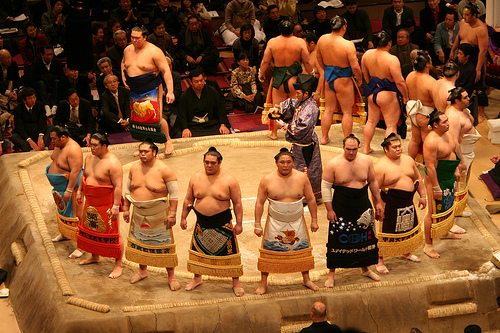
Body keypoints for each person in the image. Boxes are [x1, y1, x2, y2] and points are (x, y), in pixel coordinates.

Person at [254, 148, 319, 295]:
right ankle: (263, 283)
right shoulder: (267, 179)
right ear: (276, 163)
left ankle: (306, 278)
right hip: (275, 222)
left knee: (302, 250)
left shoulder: (302, 177)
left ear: (293, 163)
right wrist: (257, 224)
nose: (285, 165)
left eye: (288, 162)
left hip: (297, 220)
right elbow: (260, 202)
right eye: (282, 162)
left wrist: (314, 220)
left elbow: (311, 199)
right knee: (268, 252)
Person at [180, 147, 244, 297]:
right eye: (206, 162)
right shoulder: (195, 178)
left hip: (223, 223)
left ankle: (236, 282)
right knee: (198, 252)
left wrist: (239, 223)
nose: (209, 165)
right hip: (201, 222)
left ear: (220, 163)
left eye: (212, 163)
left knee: (231, 254)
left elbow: (237, 203)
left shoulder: (230, 180)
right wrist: (183, 217)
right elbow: (189, 199)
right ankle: (197, 279)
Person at [321, 134, 384, 287]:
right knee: (337, 238)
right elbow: (325, 187)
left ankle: (365, 268)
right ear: (343, 147)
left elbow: (373, 181)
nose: (351, 152)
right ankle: (331, 273)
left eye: (354, 149)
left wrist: (379, 203)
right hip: (341, 204)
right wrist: (329, 209)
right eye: (348, 149)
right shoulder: (333, 164)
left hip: (362, 203)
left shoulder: (366, 161)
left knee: (365, 237)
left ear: (359, 147)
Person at [123, 139, 180, 289]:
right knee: (141, 243)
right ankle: (142, 271)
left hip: (159, 214)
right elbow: (128, 190)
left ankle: (171, 276)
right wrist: (126, 208)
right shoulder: (134, 168)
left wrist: (172, 214)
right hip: (138, 213)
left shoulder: (165, 169)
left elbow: (174, 195)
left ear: (154, 152)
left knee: (165, 245)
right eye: (140, 151)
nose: (142, 154)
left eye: (146, 151)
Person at [374, 133, 426, 274]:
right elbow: (374, 190)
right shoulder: (380, 166)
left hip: (408, 201)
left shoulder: (408, 160)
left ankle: (406, 252)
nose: (398, 149)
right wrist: (377, 207)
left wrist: (423, 195)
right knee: (386, 232)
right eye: (394, 147)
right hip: (390, 202)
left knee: (408, 228)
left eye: (399, 146)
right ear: (386, 149)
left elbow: (417, 177)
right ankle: (379, 260)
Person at [76, 133, 124, 278]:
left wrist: (116, 206)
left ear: (104, 145)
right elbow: (84, 176)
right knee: (91, 228)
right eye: (91, 144)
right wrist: (79, 192)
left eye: (95, 145)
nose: (92, 147)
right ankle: (95, 256)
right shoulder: (89, 157)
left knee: (114, 234)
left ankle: (118, 264)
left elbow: (118, 187)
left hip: (107, 203)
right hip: (90, 200)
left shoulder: (113, 163)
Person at [122, 26, 175, 154]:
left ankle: (168, 140)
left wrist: (170, 91)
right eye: (132, 37)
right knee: (140, 118)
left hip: (151, 87)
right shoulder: (127, 49)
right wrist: (123, 76)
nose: (134, 40)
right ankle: (146, 144)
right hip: (135, 88)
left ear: (145, 37)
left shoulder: (154, 51)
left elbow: (166, 71)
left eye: (137, 38)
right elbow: (123, 63)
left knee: (155, 117)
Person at [271, 74, 322, 200]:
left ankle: (307, 196)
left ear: (306, 93)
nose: (296, 95)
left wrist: (284, 125)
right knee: (295, 170)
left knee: (306, 172)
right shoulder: (301, 101)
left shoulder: (311, 109)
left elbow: (300, 130)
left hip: (306, 145)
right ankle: (296, 193)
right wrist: (278, 110)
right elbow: (291, 104)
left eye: (298, 93)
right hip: (298, 146)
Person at [259, 20, 312, 140]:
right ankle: (294, 131)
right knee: (296, 106)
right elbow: (307, 61)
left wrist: (260, 73)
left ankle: (274, 133)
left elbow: (265, 61)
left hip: (279, 79)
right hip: (294, 80)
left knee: (276, 106)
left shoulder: (272, 42)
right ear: (292, 30)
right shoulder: (299, 42)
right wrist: (311, 72)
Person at [422, 110, 465, 258]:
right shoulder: (431, 141)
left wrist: (457, 168)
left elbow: (454, 150)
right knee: (433, 212)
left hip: (449, 175)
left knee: (448, 205)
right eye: (444, 122)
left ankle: (444, 231)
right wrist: (436, 187)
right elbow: (430, 167)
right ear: (435, 125)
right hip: (437, 179)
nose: (448, 123)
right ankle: (428, 245)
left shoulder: (447, 133)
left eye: (447, 120)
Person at [361, 31, 408, 155]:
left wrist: (375, 86)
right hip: (388, 94)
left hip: (372, 93)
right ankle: (391, 152)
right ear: (389, 43)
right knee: (391, 125)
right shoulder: (392, 59)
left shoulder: (366, 55)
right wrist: (405, 96)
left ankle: (366, 148)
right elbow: (400, 82)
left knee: (370, 121)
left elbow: (366, 76)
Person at [317, 16, 362, 143]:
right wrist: (359, 79)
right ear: (343, 27)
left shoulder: (322, 39)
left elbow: (319, 59)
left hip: (329, 78)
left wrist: (326, 71)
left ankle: (324, 137)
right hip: (344, 80)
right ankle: (348, 140)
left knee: (328, 109)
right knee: (347, 112)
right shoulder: (347, 44)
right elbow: (355, 67)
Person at [47, 126, 85, 259]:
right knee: (62, 211)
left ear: (63, 137)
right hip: (59, 187)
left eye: (54, 139)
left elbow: (75, 171)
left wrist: (69, 189)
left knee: (77, 215)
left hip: (71, 187)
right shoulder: (59, 145)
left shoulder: (73, 149)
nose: (52, 142)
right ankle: (65, 234)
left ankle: (82, 246)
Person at [445, 87, 480, 220]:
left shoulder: (463, 110)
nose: (468, 99)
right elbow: (453, 141)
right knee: (458, 183)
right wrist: (460, 161)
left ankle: (460, 207)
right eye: (465, 97)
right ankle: (454, 210)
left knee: (464, 183)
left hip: (469, 150)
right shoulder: (453, 116)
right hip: (461, 153)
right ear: (457, 101)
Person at [178, 69, 231, 137]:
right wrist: (185, 128)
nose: (199, 83)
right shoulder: (185, 96)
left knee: (223, 132)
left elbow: (220, 109)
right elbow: (182, 114)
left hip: (210, 124)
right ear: (191, 82)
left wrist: (222, 125)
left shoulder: (212, 92)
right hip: (193, 125)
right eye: (196, 81)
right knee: (181, 134)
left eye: (201, 80)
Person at [406, 51, 437, 159]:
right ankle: (429, 167)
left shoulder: (409, 76)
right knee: (427, 142)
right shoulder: (431, 81)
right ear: (427, 64)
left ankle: (410, 162)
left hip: (414, 113)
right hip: (425, 114)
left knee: (414, 140)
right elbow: (436, 102)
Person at [450, 4, 488, 85]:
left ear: (474, 15)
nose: (464, 16)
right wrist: (453, 50)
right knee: (458, 81)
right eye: (463, 14)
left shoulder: (481, 29)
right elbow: (459, 36)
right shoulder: (463, 22)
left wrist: (478, 69)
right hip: (461, 56)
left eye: (467, 15)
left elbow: (483, 51)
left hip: (473, 58)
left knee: (473, 84)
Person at [11, 87, 54, 152]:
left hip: (38, 132)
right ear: (24, 100)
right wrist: (29, 140)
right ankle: (30, 149)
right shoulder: (18, 109)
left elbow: (42, 122)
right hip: (26, 135)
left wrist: (40, 136)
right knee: (14, 137)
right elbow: (19, 127)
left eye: (34, 97)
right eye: (30, 99)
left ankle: (43, 146)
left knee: (51, 127)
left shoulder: (40, 105)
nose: (33, 100)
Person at [29, 44, 65, 117]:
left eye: (51, 54)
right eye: (47, 55)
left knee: (57, 82)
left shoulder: (57, 62)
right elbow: (33, 79)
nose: (50, 57)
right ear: (42, 54)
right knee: (40, 83)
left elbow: (61, 77)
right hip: (42, 86)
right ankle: (46, 106)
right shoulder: (36, 63)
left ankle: (54, 105)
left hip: (54, 85)